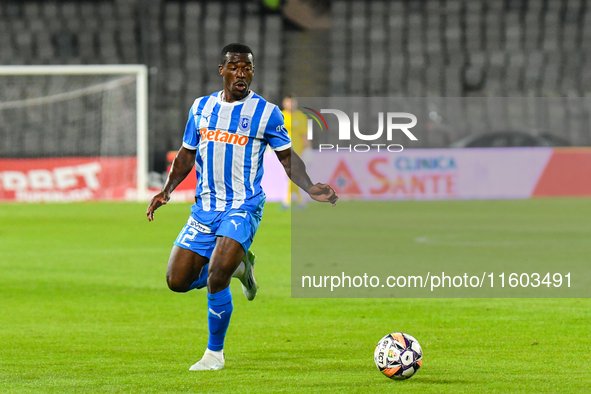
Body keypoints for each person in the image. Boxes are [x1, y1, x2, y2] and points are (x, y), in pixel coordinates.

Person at [146, 43, 338, 371]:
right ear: (221, 70)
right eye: (234, 67)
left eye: (247, 68)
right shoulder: (201, 108)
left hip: (243, 206)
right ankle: (239, 267)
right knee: (176, 281)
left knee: (216, 277)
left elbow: (287, 158)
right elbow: (187, 153)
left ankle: (214, 354)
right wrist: (166, 190)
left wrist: (310, 188)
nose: (241, 74)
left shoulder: (267, 113)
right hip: (206, 208)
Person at [281, 96, 311, 209]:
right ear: (284, 103)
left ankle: (289, 200)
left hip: (298, 150)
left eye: (292, 102)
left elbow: (304, 135)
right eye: (288, 102)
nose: (290, 104)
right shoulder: (280, 115)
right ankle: (297, 200)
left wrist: (308, 149)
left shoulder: (301, 117)